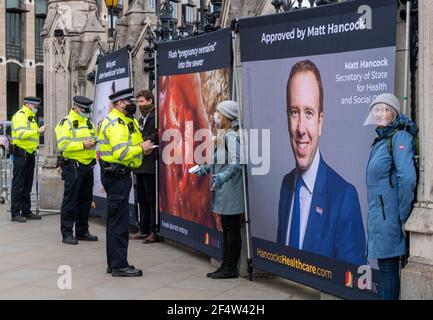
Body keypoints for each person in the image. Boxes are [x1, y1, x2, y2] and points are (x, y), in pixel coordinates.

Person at [277, 60, 366, 265]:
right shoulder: (285, 185)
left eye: (309, 113)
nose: (300, 128)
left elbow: (352, 283)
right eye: (294, 112)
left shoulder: (344, 197)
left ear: (320, 122)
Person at [365, 93, 417, 300]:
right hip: (381, 216)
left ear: (393, 113)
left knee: (387, 270)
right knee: (385, 268)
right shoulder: (383, 138)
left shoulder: (399, 137)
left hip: (391, 218)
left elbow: (407, 179)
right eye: (376, 109)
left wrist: (403, 216)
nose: (379, 113)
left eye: (384, 109)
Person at [98, 88, 154, 277]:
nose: (133, 105)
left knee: (115, 221)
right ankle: (119, 265)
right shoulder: (115, 123)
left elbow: (133, 143)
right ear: (121, 103)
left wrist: (142, 149)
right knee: (119, 223)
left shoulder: (126, 121)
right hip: (117, 176)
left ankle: (113, 263)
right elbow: (121, 152)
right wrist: (141, 147)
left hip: (119, 175)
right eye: (130, 102)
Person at [193, 100, 245, 279]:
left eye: (219, 113)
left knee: (231, 228)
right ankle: (225, 264)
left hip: (231, 191)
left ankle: (231, 267)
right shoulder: (224, 135)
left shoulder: (232, 137)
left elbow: (236, 163)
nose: (216, 117)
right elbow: (218, 161)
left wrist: (224, 176)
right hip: (222, 190)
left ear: (227, 117)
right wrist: (206, 168)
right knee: (227, 228)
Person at [55, 96, 99, 245]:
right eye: (85, 110)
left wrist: (93, 143)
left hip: (87, 165)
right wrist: (82, 145)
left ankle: (82, 231)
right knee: (70, 200)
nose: (88, 113)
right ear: (77, 108)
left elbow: (94, 138)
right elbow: (63, 145)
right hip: (73, 166)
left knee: (85, 200)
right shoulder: (65, 122)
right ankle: (67, 233)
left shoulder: (89, 122)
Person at [10, 96, 47, 222]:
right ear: (29, 105)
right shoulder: (20, 115)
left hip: (29, 153)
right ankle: (15, 213)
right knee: (18, 184)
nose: (36, 109)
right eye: (35, 106)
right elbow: (21, 134)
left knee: (27, 184)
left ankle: (26, 211)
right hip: (21, 153)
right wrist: (37, 131)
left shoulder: (30, 117)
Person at [130, 90, 158, 243]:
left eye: (142, 102)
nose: (140, 105)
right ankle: (143, 228)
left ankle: (153, 231)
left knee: (150, 199)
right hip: (140, 163)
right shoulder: (140, 118)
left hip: (151, 164)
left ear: (150, 101)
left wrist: (143, 143)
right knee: (141, 198)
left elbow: (156, 134)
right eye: (138, 102)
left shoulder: (156, 116)